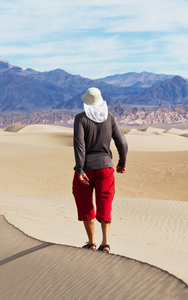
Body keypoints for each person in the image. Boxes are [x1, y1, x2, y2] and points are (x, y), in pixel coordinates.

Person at [72, 87, 128, 253]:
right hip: (105, 168)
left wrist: (80, 169)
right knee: (105, 201)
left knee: (85, 201)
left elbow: (79, 145)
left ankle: (91, 242)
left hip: (87, 168)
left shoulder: (80, 119)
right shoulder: (110, 118)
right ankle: (105, 242)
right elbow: (123, 143)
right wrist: (122, 163)